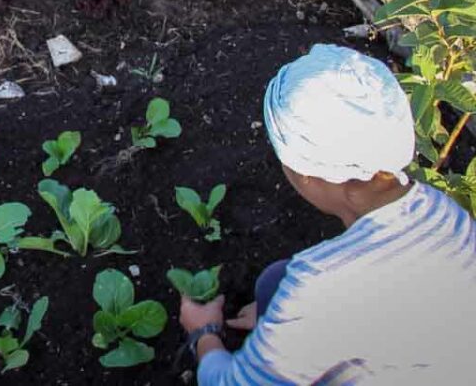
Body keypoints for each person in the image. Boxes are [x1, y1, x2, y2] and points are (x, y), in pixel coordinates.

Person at [180, 44, 476, 384]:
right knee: (273, 282)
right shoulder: (444, 214)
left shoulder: (318, 287)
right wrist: (284, 327)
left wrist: (203, 332)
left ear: (309, 173)